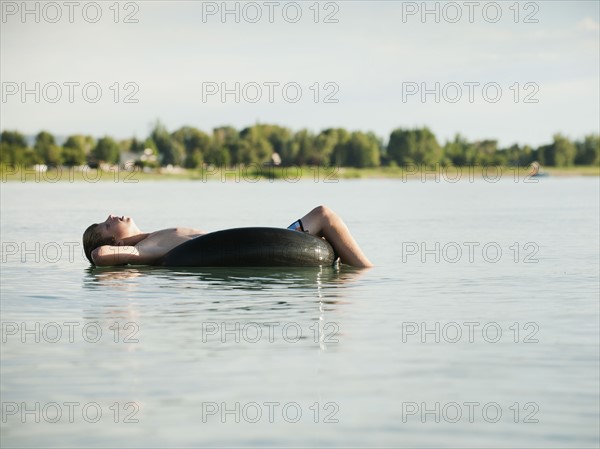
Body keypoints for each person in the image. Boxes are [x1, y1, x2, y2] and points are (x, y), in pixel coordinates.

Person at [83, 205, 373, 268]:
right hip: (257, 246)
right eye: (105, 226)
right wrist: (104, 257)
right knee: (324, 215)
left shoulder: (152, 237)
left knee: (323, 220)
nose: (110, 216)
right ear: (117, 242)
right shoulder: (145, 248)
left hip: (263, 243)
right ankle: (365, 273)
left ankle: (356, 272)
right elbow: (100, 255)